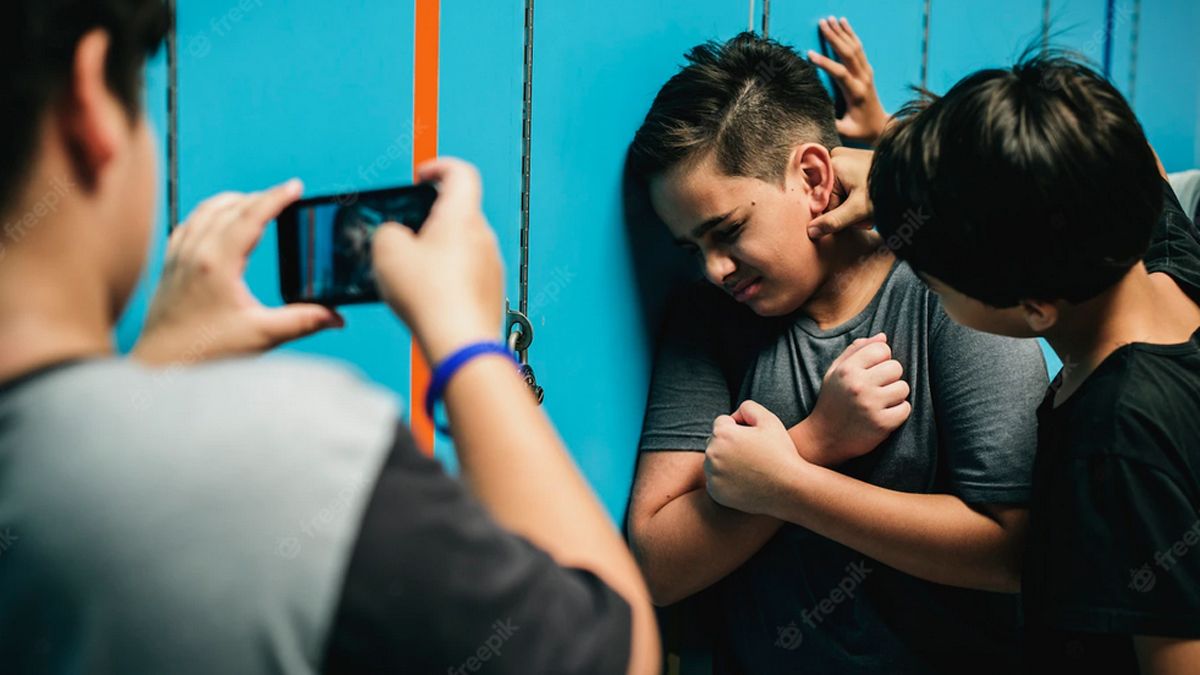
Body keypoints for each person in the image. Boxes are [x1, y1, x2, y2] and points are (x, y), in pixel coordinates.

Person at [0, 2, 658, 673]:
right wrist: (467, 341)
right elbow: (618, 653)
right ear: (91, 103)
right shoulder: (291, 453)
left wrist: (155, 372)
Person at [625, 31, 1047, 674]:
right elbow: (657, 563)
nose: (713, 269)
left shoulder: (948, 291)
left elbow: (1013, 551)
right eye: (692, 248)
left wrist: (791, 488)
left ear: (815, 177)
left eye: (729, 231)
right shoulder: (708, 321)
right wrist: (814, 441)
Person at [842, 52, 1200, 674]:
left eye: (935, 285)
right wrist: (896, 146)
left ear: (1034, 310)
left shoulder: (1118, 442)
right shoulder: (1165, 257)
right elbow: (1124, 153)